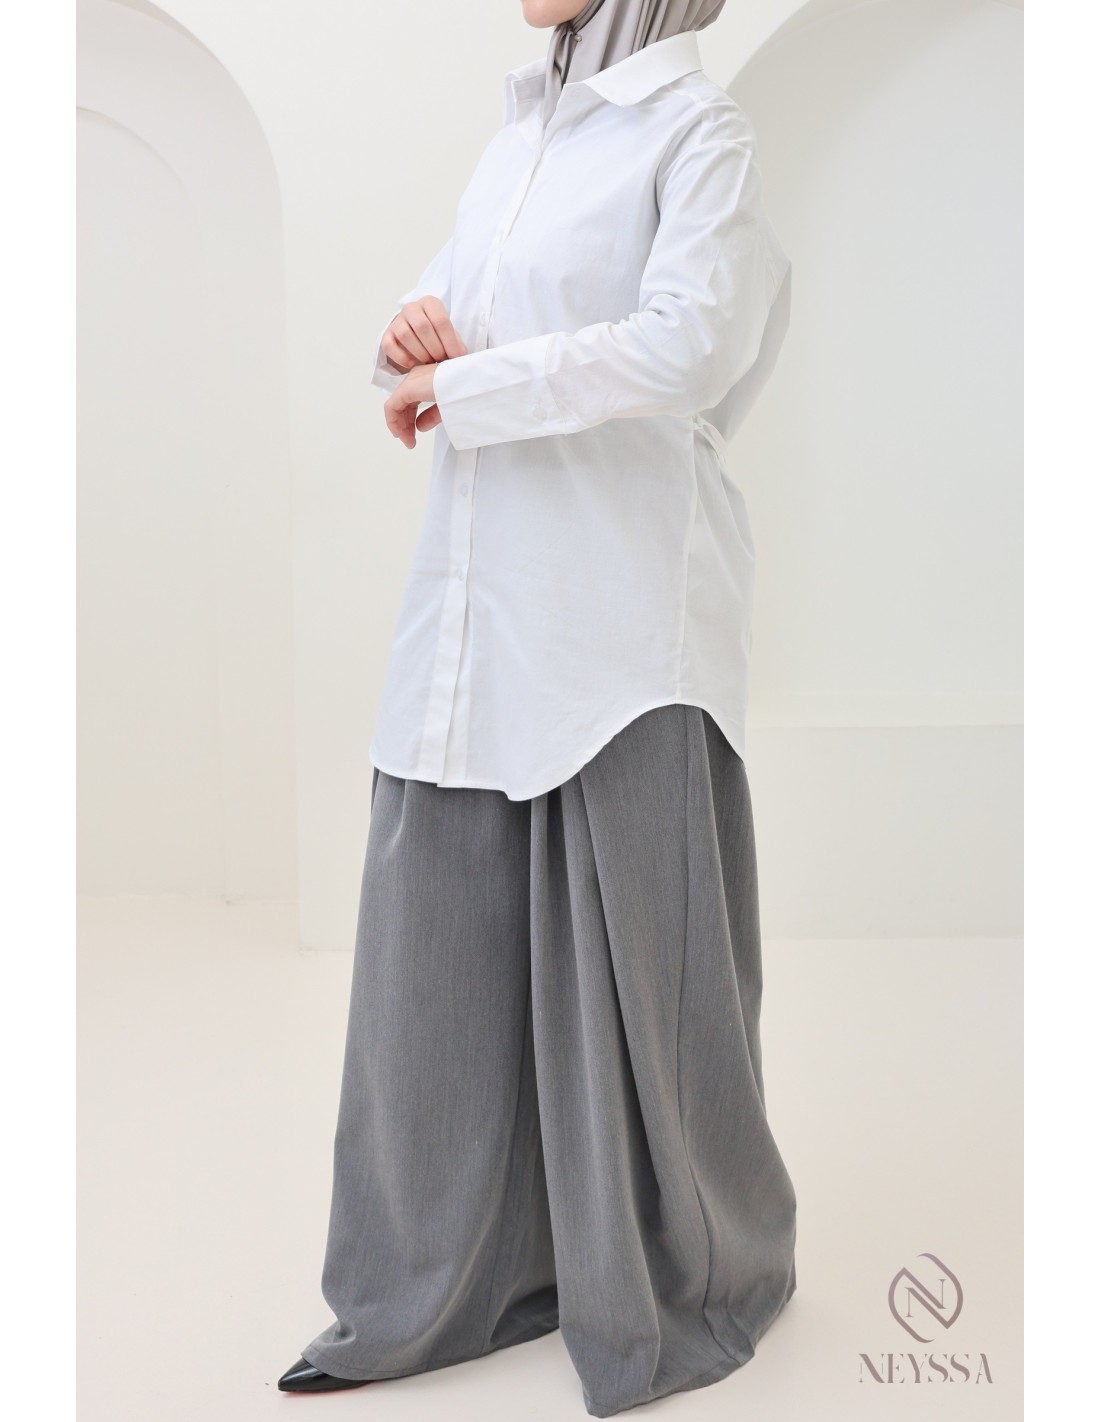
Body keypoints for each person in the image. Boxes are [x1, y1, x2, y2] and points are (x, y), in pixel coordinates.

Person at [278, 1, 798, 1415]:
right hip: (470, 603)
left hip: (612, 623)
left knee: (636, 970)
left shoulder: (699, 135)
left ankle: (682, 1276)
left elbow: (685, 349)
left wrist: (467, 384)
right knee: (434, 956)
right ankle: (443, 1282)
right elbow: (419, 342)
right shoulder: (519, 136)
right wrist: (411, 344)